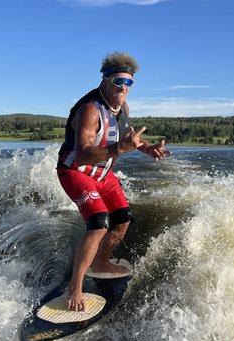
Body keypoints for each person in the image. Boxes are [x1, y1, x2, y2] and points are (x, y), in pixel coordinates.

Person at [57, 52, 170, 311]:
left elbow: (130, 138)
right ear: (106, 79)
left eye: (129, 83)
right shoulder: (89, 109)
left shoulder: (122, 109)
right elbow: (83, 153)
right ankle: (75, 287)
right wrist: (119, 148)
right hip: (76, 172)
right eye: (119, 81)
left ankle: (100, 261)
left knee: (123, 219)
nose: (123, 88)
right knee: (98, 223)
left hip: (103, 175)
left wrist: (148, 148)